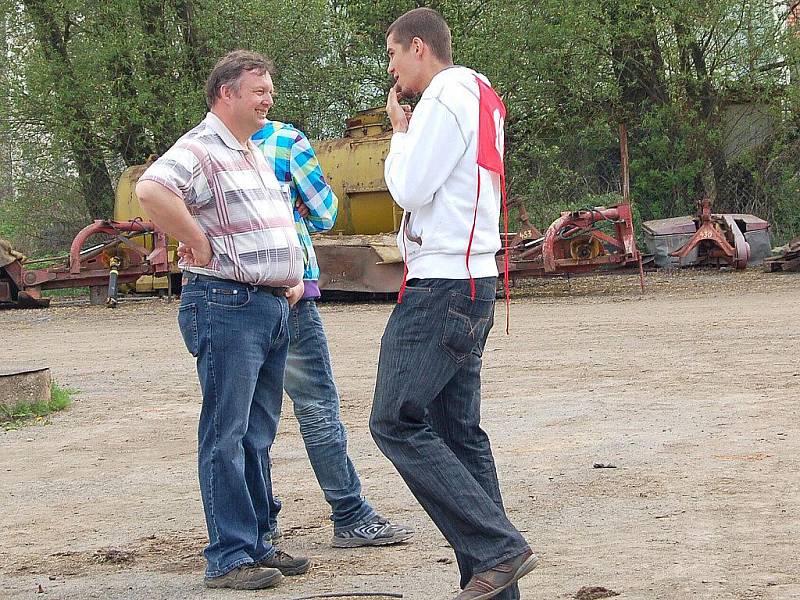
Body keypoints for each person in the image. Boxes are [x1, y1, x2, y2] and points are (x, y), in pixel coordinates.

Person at [368, 8, 537, 600]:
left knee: (392, 420)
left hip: (441, 284)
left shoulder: (443, 96)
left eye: (392, 55)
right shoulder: (482, 93)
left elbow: (410, 189)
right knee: (459, 434)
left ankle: (498, 548)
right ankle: (496, 582)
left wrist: (399, 133)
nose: (391, 69)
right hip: (473, 282)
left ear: (419, 47)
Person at [135, 50, 311, 591]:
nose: (269, 99)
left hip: (270, 304)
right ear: (226, 94)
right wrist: (194, 240)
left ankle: (258, 541)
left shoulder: (251, 149)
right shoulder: (200, 147)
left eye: (270, 89)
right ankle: (230, 557)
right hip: (226, 304)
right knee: (227, 433)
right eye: (259, 90)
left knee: (257, 434)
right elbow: (150, 189)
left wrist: (292, 275)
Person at [252, 120, 414, 548]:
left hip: (234, 295)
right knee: (317, 407)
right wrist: (295, 208)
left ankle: (257, 524)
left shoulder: (208, 146)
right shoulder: (285, 141)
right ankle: (350, 514)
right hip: (291, 289)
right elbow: (324, 212)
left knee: (249, 418)